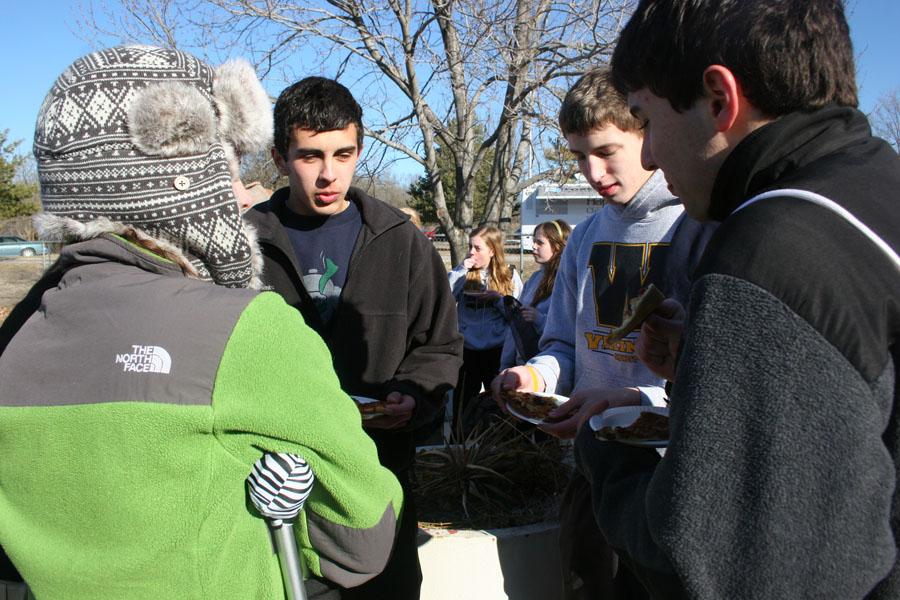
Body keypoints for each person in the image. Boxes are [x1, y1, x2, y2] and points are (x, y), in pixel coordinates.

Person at [0, 46, 403, 600]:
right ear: (181, 177)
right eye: (225, 167)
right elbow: (364, 537)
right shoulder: (249, 329)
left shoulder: (16, 338)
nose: (240, 195)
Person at [573, 0, 900, 598]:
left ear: (720, 100)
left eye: (646, 119)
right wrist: (703, 356)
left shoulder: (770, 250)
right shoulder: (876, 184)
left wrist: (605, 454)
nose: (647, 155)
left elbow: (730, 567)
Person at [490, 66, 713, 599]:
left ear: (647, 134)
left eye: (607, 150)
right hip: (591, 470)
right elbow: (563, 344)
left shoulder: (697, 226)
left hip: (673, 476)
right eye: (577, 156)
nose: (593, 171)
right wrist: (534, 377)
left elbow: (711, 370)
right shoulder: (586, 235)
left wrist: (633, 397)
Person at [246, 76, 463, 600]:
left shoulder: (400, 239)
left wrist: (411, 396)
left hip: (378, 475)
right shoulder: (244, 242)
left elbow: (440, 345)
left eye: (344, 154)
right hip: (273, 486)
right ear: (279, 158)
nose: (329, 173)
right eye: (310, 156)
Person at [449, 225, 523, 428]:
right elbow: (445, 298)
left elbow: (517, 316)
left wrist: (498, 300)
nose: (471, 252)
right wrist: (460, 270)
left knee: (500, 404)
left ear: (492, 250)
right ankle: (459, 445)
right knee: (462, 406)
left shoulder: (509, 275)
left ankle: (496, 446)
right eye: (470, 247)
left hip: (497, 352)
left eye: (478, 248)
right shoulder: (463, 273)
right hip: (468, 351)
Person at [498, 219, 571, 369]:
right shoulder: (534, 279)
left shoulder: (567, 282)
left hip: (550, 369)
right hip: (523, 365)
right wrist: (504, 365)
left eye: (540, 242)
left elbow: (568, 330)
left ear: (557, 246)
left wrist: (539, 319)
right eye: (533, 241)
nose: (533, 246)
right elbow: (516, 328)